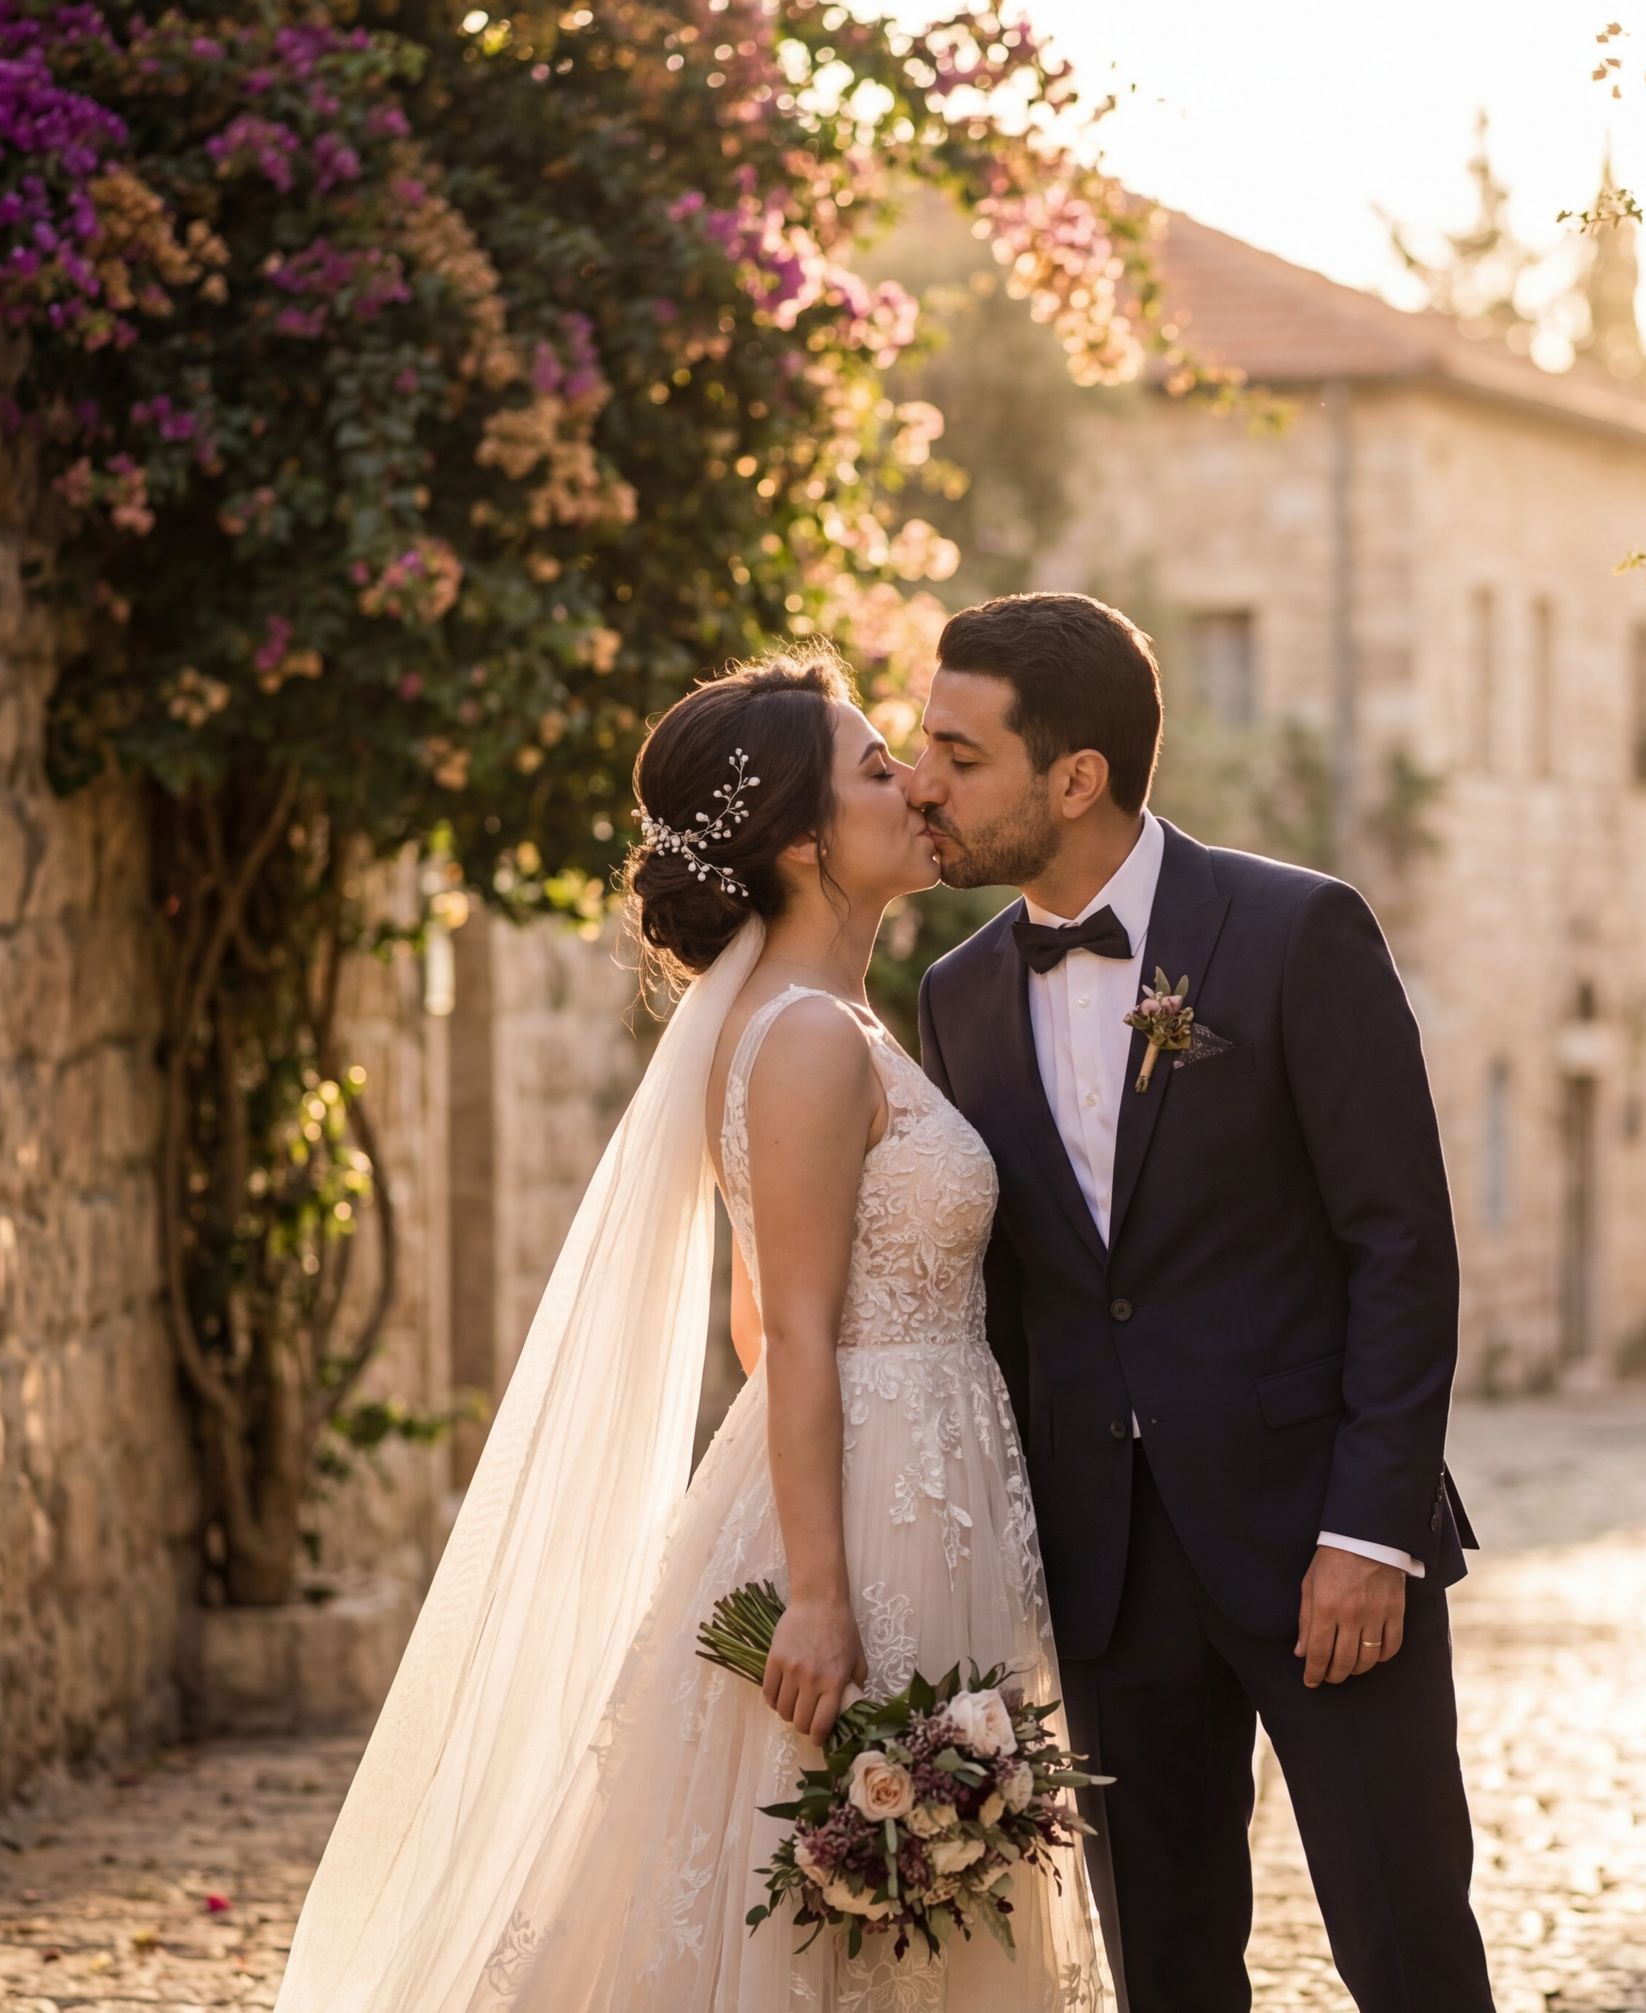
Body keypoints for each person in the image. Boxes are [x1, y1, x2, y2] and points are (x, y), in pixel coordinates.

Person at [273, 650, 1106, 2012]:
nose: (907, 777)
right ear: (798, 838)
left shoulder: (820, 1022)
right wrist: (825, 1594)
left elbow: (752, 1306)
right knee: (848, 1906)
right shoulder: (809, 1040)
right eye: (870, 767)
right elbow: (797, 1334)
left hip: (920, 1483)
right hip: (872, 1505)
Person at [907, 592, 1495, 2013]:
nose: (921, 779)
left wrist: (1371, 1532)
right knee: (1166, 1972)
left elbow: (1401, 1245)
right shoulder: (959, 994)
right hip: (1108, 1578)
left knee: (1409, 1950)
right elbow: (1010, 1308)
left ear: (1076, 777)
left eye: (957, 752)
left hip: (1325, 1549)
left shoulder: (1297, 932)